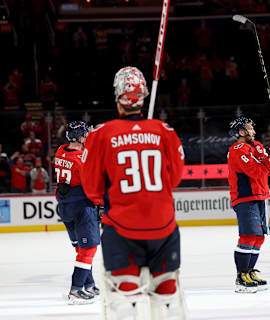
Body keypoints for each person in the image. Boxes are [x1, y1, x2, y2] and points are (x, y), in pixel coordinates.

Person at [80, 66, 188, 318]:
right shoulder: (165, 131)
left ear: (118, 97)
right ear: (143, 97)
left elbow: (92, 189)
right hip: (164, 227)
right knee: (167, 297)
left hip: (121, 228)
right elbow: (174, 178)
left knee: (122, 297)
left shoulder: (100, 135)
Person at [227, 117, 270, 293]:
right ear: (241, 132)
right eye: (249, 128)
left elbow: (269, 169)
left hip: (260, 196)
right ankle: (241, 276)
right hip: (245, 197)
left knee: (259, 237)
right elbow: (256, 171)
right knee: (248, 236)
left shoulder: (257, 147)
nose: (253, 131)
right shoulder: (237, 150)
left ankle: (249, 271)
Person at [54, 121, 100, 304]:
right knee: (89, 248)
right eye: (85, 135)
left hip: (66, 206)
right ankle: (75, 290)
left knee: (81, 248)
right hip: (82, 206)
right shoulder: (81, 159)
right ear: (81, 138)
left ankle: (89, 285)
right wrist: (101, 204)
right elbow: (92, 185)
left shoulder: (60, 151)